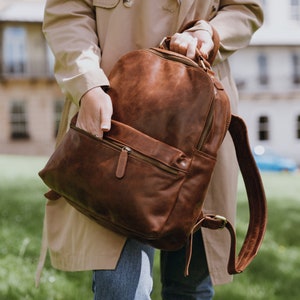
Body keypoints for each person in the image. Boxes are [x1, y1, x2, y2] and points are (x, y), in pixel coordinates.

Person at [36, 1, 263, 299]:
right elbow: (67, 12)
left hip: (200, 128)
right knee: (122, 290)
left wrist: (211, 32)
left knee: (190, 288)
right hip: (114, 122)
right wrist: (87, 84)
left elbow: (245, 7)